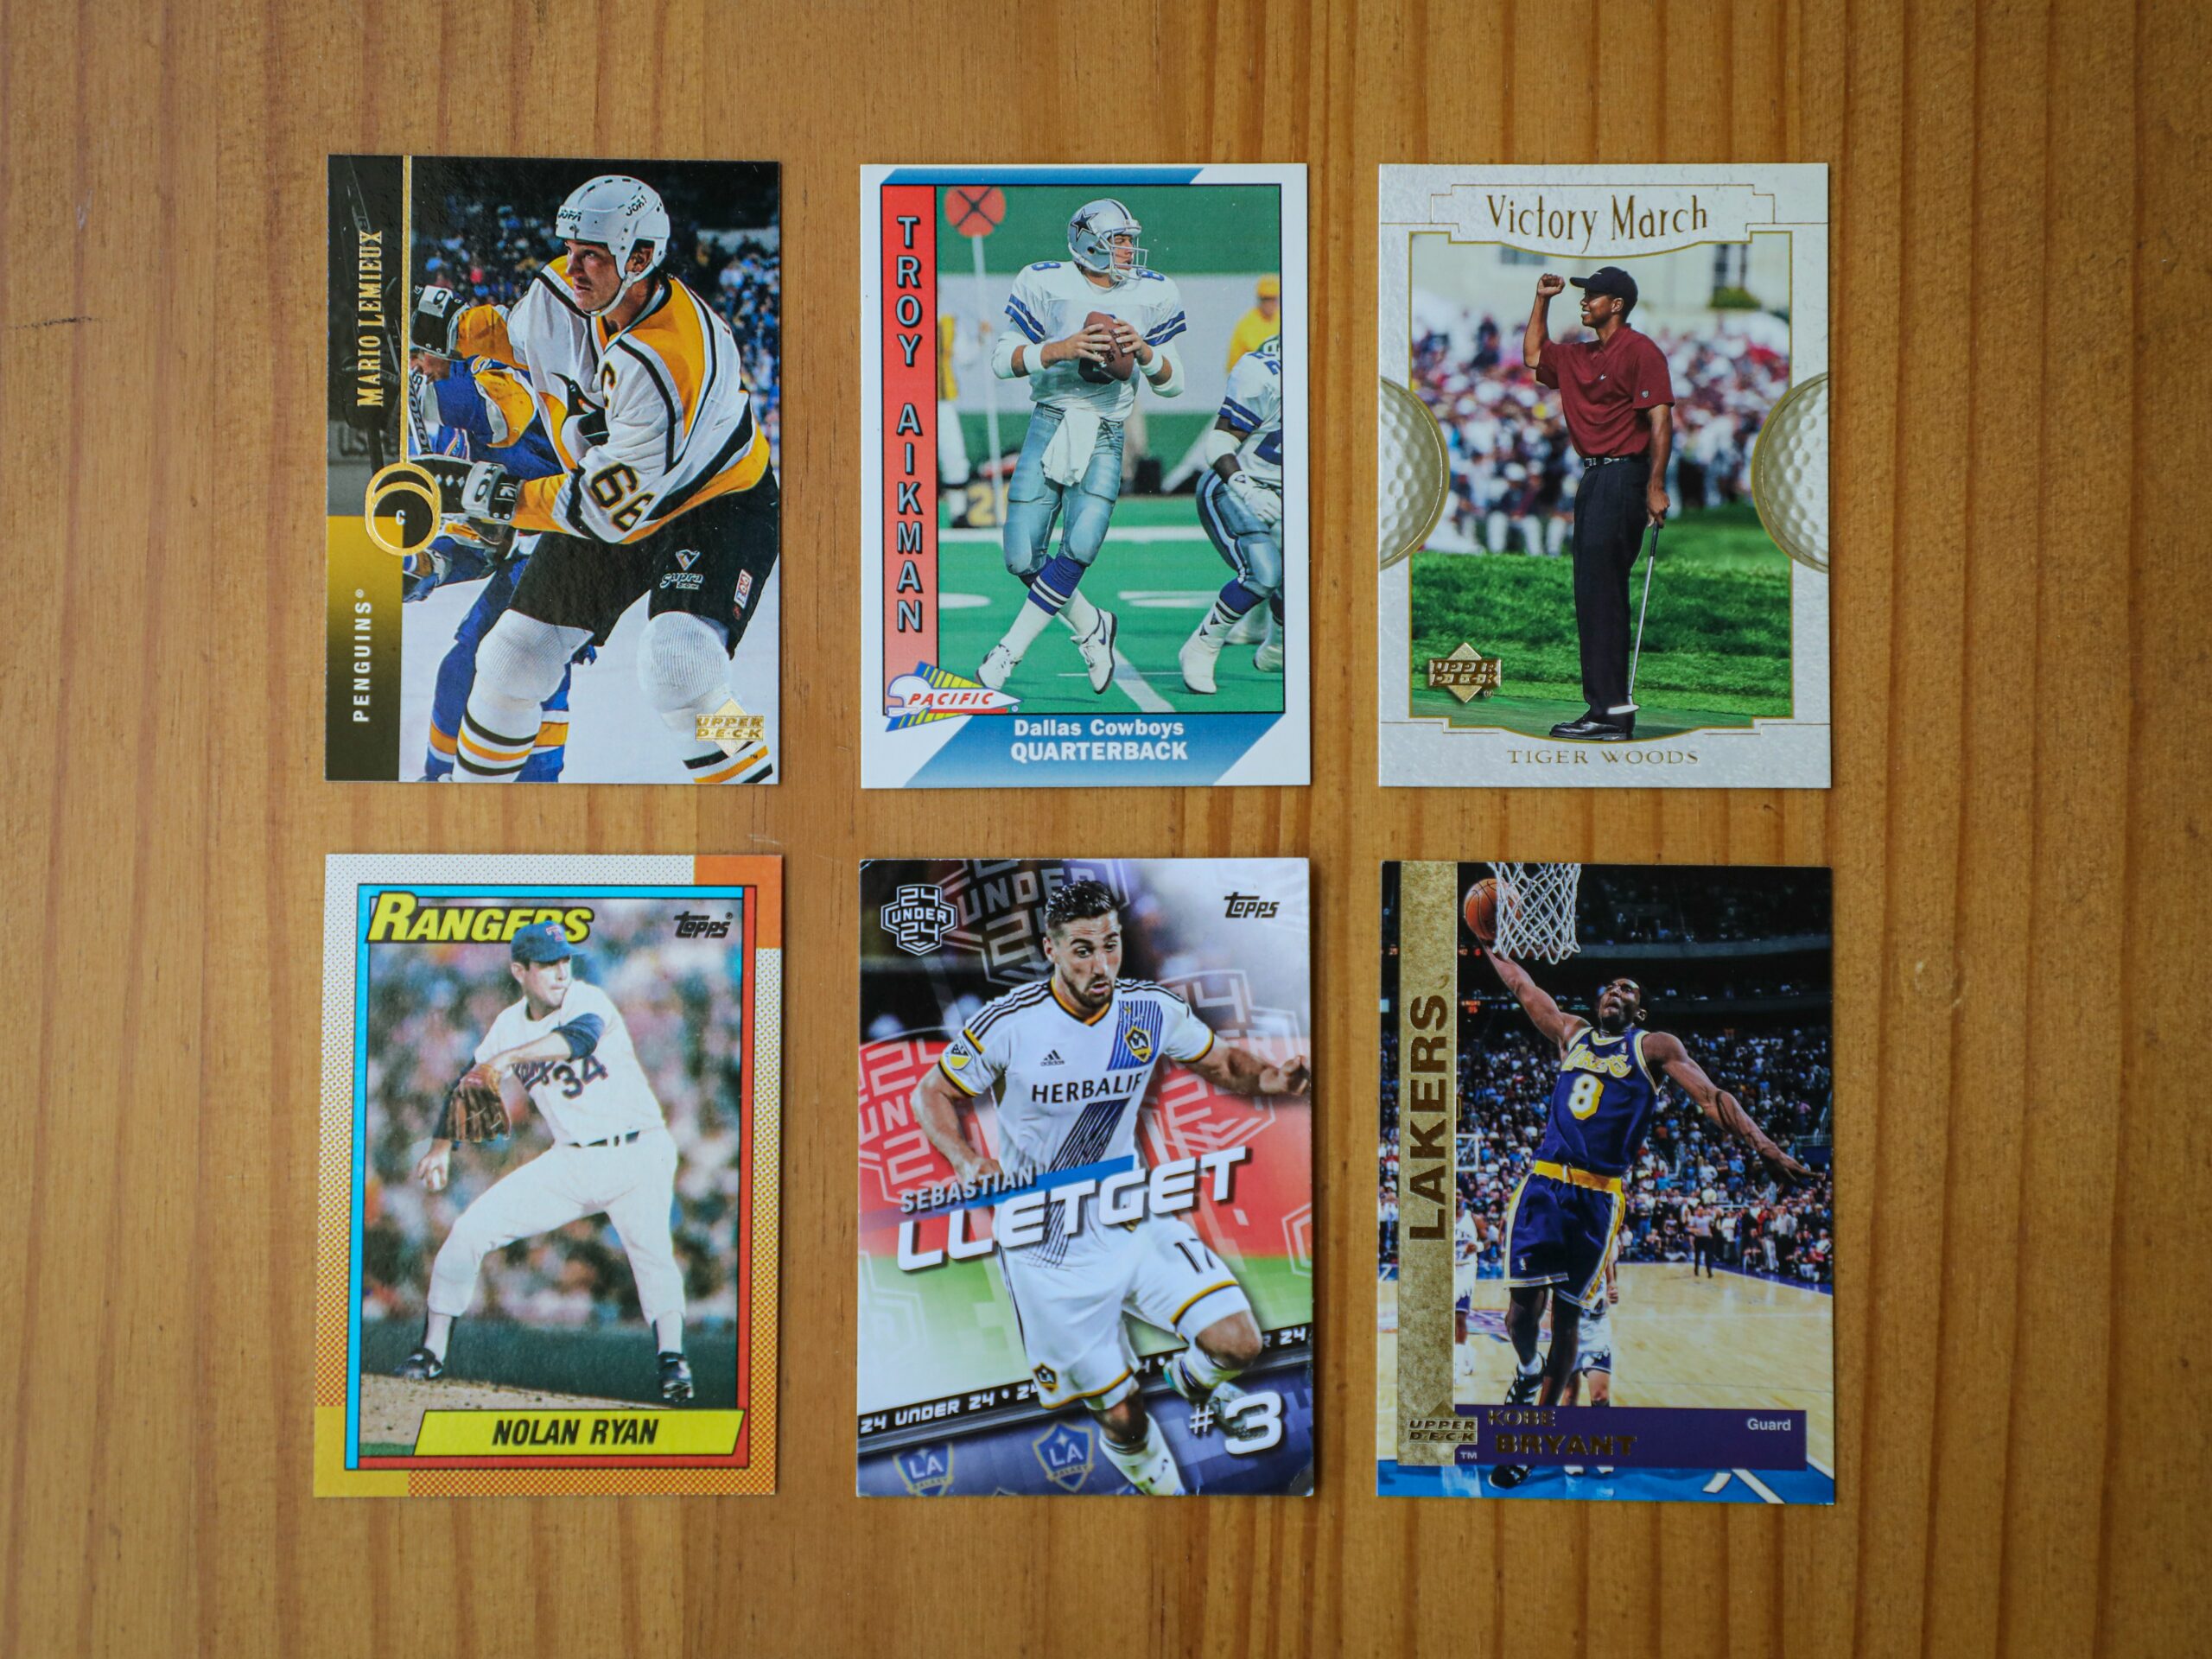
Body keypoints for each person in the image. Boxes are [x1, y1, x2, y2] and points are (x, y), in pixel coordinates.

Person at [907, 879, 1311, 1494]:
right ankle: (1164, 1495)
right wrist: (966, 1161)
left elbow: (1224, 1063)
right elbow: (932, 1092)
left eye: (1111, 945)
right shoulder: (1011, 1024)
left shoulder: (1149, 1009)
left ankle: (1188, 1383)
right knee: (1121, 1416)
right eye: (1083, 950)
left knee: (1239, 1343)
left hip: (1129, 1211)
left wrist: (1275, 1079)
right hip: (1046, 1241)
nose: (1102, 965)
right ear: (1050, 949)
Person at [410, 174, 778, 785]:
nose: (574, 268)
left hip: (714, 505)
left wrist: (488, 495)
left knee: (680, 672)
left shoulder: (670, 360)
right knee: (509, 661)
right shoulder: (564, 291)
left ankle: (758, 759)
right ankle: (475, 828)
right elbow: (518, 334)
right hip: (615, 490)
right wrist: (453, 333)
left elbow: (605, 515)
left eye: (594, 256)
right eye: (573, 250)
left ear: (641, 258)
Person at [1474, 946, 1808, 1490]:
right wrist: (1490, 943)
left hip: (1597, 1197)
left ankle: (1530, 1439)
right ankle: (1527, 1369)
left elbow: (1711, 1095)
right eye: (1610, 986)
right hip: (1542, 1185)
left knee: (1567, 1320)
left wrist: (1764, 1146)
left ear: (1640, 1012)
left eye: (1628, 990)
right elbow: (1521, 985)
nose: (1616, 992)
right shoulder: (1571, 1033)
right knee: (1518, 1318)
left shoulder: (1654, 1046)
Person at [393, 921, 695, 1403]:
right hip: (572, 1161)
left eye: (564, 960)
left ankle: (672, 1361)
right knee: (468, 1232)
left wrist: (509, 1059)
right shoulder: (508, 1025)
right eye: (547, 964)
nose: (560, 972)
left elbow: (580, 1040)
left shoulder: (587, 999)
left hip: (640, 1153)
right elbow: (467, 1082)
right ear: (520, 971)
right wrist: (440, 1146)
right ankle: (430, 1350)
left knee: (652, 1251)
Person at [977, 200, 1188, 697]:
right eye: (1118, 240)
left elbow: (1174, 383)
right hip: (1050, 421)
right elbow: (1001, 361)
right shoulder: (1044, 281)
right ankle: (1093, 625)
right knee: (1022, 556)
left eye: (1129, 240)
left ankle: (1008, 651)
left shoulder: (1154, 290)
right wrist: (1061, 348)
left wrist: (1147, 351)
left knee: (1081, 544)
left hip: (1108, 428)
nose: (1128, 250)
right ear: (1087, 241)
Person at [1523, 266, 1675, 741]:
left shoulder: (1642, 351)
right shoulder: (1579, 355)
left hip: (1626, 477)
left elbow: (1660, 421)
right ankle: (1603, 710)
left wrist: (1654, 485)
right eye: (1584, 296)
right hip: (1592, 479)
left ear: (1618, 305)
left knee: (1605, 595)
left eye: (1594, 297)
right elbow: (1532, 356)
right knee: (1591, 595)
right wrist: (1542, 300)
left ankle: (1610, 715)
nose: (1584, 302)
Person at [1179, 335, 1286, 691]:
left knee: (1312, 577)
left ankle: (1279, 646)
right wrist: (1248, 489)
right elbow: (1219, 442)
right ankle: (1203, 645)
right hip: (1237, 485)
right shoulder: (1266, 373)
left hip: (1294, 496)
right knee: (1263, 571)